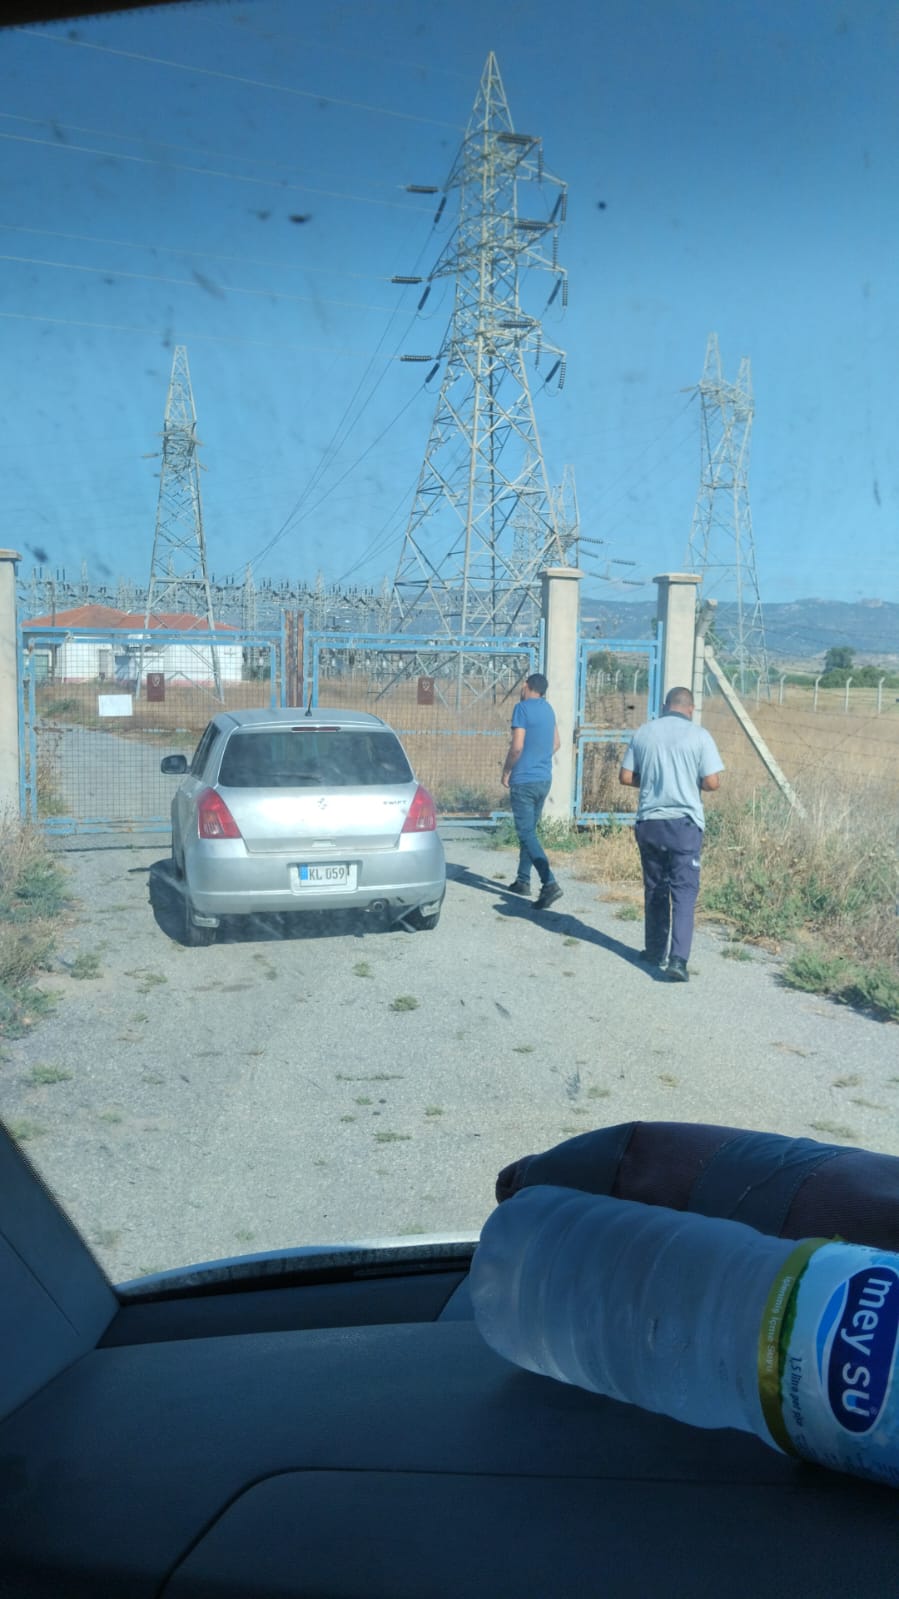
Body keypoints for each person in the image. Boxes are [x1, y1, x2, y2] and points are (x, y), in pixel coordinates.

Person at [619, 686, 723, 981]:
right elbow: (712, 783)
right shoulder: (700, 736)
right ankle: (678, 960)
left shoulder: (644, 732)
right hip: (684, 826)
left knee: (655, 888)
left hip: (650, 823)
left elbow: (625, 777)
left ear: (665, 706)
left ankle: (654, 951)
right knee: (684, 893)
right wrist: (689, 781)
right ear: (691, 709)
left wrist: (653, 781)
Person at [501, 672, 562, 911]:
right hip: (543, 778)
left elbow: (517, 747)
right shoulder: (548, 709)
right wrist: (539, 757)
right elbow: (556, 743)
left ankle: (549, 882)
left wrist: (507, 771)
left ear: (526, 686)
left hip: (524, 780)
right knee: (529, 832)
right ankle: (523, 880)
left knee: (526, 833)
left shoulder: (522, 709)